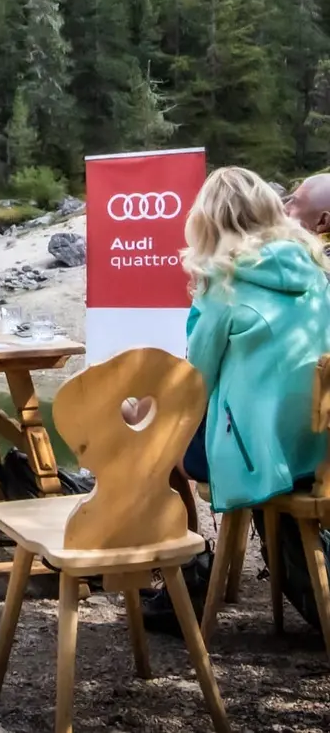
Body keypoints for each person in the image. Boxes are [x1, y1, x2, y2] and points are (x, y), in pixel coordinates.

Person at [142, 166, 330, 634]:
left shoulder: (222, 285)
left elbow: (193, 384)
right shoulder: (316, 269)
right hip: (319, 451)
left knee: (152, 437)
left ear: (207, 222)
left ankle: (188, 573)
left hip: (261, 459)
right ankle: (194, 569)